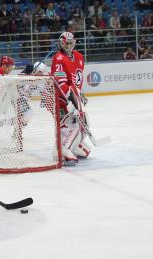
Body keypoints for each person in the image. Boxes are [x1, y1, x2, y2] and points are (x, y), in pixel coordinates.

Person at [51, 31, 90, 166]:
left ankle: (75, 145)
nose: (68, 45)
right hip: (62, 98)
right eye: (65, 43)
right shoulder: (58, 58)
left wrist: (79, 95)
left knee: (84, 123)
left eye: (70, 42)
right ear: (61, 43)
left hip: (74, 96)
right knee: (70, 123)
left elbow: (78, 80)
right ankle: (62, 150)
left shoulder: (79, 56)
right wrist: (70, 98)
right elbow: (61, 82)